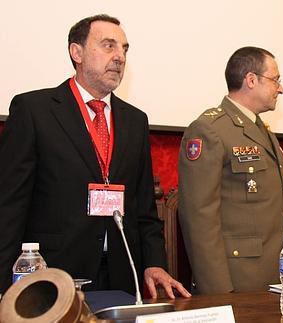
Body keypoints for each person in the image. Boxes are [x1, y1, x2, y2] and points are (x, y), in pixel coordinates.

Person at [0, 14, 190, 298]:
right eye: (108, 46)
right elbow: (10, 206)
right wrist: (3, 286)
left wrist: (154, 263)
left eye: (124, 49)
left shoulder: (135, 120)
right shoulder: (34, 110)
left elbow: (145, 211)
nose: (119, 57)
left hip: (121, 273)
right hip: (54, 275)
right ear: (76, 52)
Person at [178, 46, 283, 294]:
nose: (280, 88)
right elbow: (199, 218)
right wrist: (217, 292)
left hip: (271, 278)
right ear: (251, 80)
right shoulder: (210, 129)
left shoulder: (264, 131)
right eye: (275, 80)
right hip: (236, 282)